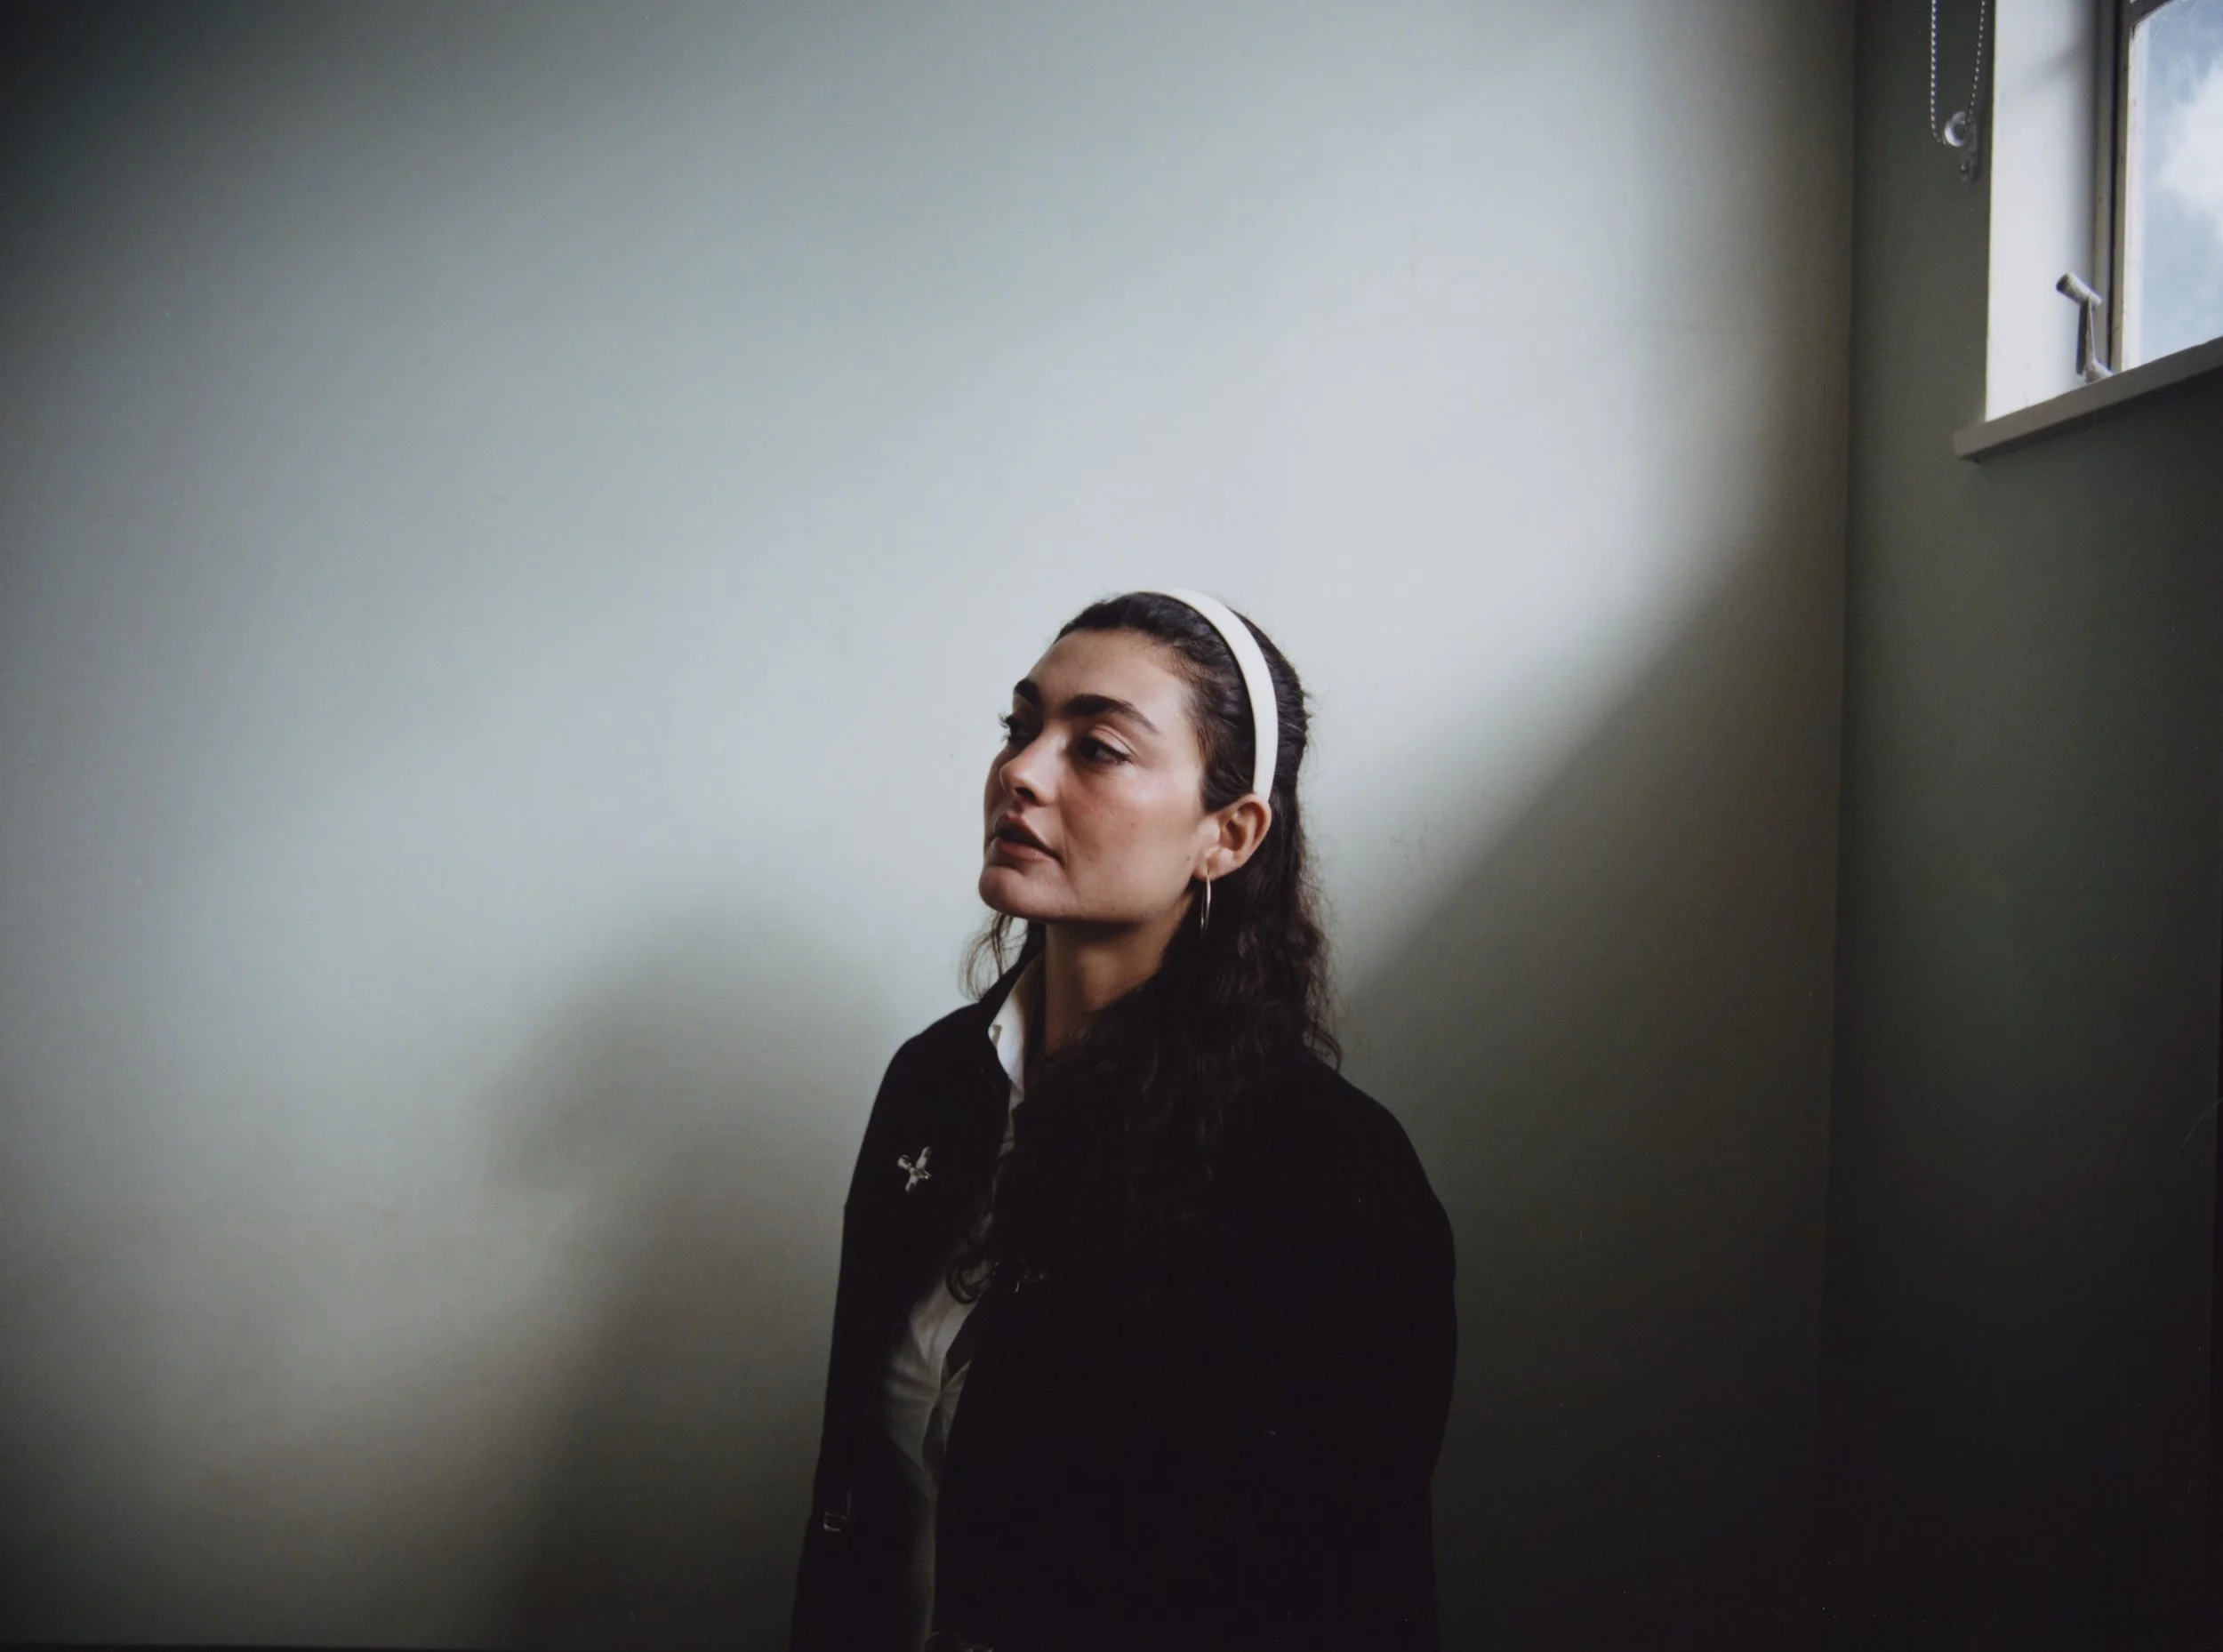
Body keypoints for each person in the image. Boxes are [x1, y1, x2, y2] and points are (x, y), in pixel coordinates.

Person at [789, 589, 1456, 1652]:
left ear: (1227, 835)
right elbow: (860, 1494)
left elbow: (1346, 1597)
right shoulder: (934, 1083)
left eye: (1095, 746)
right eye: (1020, 728)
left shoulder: (1328, 1169)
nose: (1021, 771)